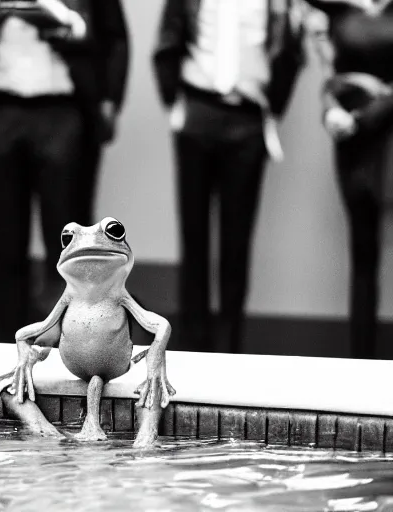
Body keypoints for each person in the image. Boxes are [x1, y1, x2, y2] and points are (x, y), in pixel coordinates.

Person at [0, 0, 129, 341]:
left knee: (68, 241)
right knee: (7, 241)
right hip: (1, 108)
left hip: (63, 109)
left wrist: (109, 99)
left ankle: (74, 345)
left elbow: (115, 37)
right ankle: (5, 346)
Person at [152, 0, 306, 353]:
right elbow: (168, 38)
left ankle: (230, 345)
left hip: (248, 119)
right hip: (197, 110)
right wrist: (173, 104)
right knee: (194, 236)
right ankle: (193, 345)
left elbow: (291, 51)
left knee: (237, 242)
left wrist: (273, 108)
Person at [304, 0, 393, 359]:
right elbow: (331, 78)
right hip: (354, 142)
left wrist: (366, 115)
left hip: (382, 130)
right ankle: (362, 362)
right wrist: (330, 111)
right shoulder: (337, 10)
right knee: (363, 250)